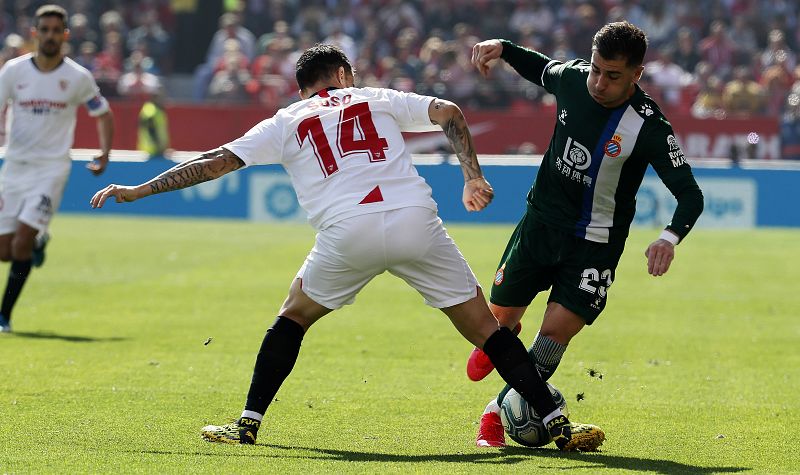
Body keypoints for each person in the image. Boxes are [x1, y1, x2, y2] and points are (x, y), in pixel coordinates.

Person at [90, 44, 604, 451]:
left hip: (347, 232)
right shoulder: (374, 98)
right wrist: (472, 176)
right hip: (413, 222)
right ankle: (557, 420)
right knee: (487, 330)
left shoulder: (286, 121)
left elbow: (215, 162)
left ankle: (248, 423)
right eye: (350, 72)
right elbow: (448, 111)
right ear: (339, 75)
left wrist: (139, 188)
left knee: (292, 318)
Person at [466, 21, 704, 447]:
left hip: (595, 245)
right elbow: (539, 67)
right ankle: (505, 334)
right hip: (540, 224)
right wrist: (501, 46)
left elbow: (690, 195)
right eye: (596, 69)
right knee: (498, 322)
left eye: (613, 75)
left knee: (554, 336)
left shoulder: (649, 127)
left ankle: (495, 415)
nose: (599, 82)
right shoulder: (574, 80)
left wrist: (668, 238)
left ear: (637, 74)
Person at [0, 5, 114, 333]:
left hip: (51, 169)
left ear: (65, 35)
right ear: (34, 33)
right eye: (44, 30)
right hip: (15, 167)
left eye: (56, 31)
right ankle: (39, 241)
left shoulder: (77, 77)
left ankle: (4, 315)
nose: (50, 36)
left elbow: (103, 114)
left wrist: (104, 153)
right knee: (5, 251)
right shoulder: (13, 71)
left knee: (20, 242)